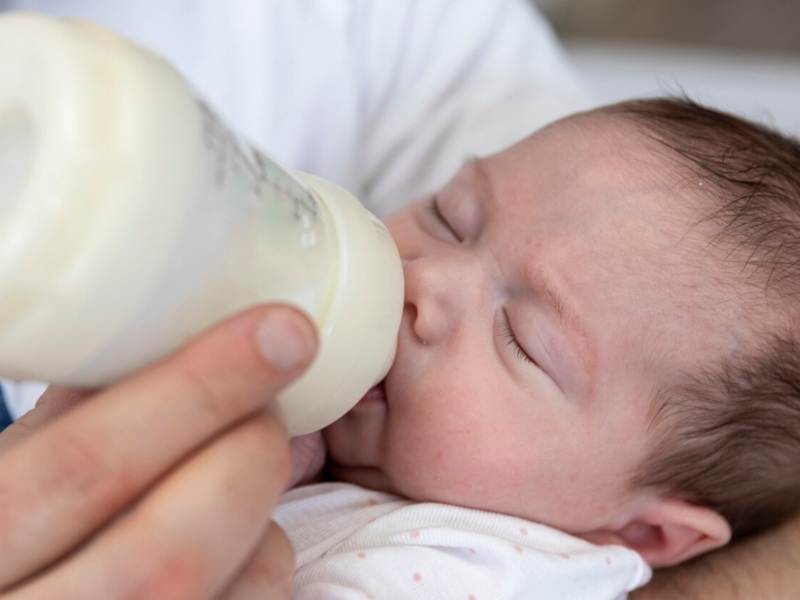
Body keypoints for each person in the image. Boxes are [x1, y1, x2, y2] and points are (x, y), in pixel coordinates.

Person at [1, 4, 799, 600]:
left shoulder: (486, 565)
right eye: (450, 215)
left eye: (521, 339)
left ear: (642, 530)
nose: (424, 281)